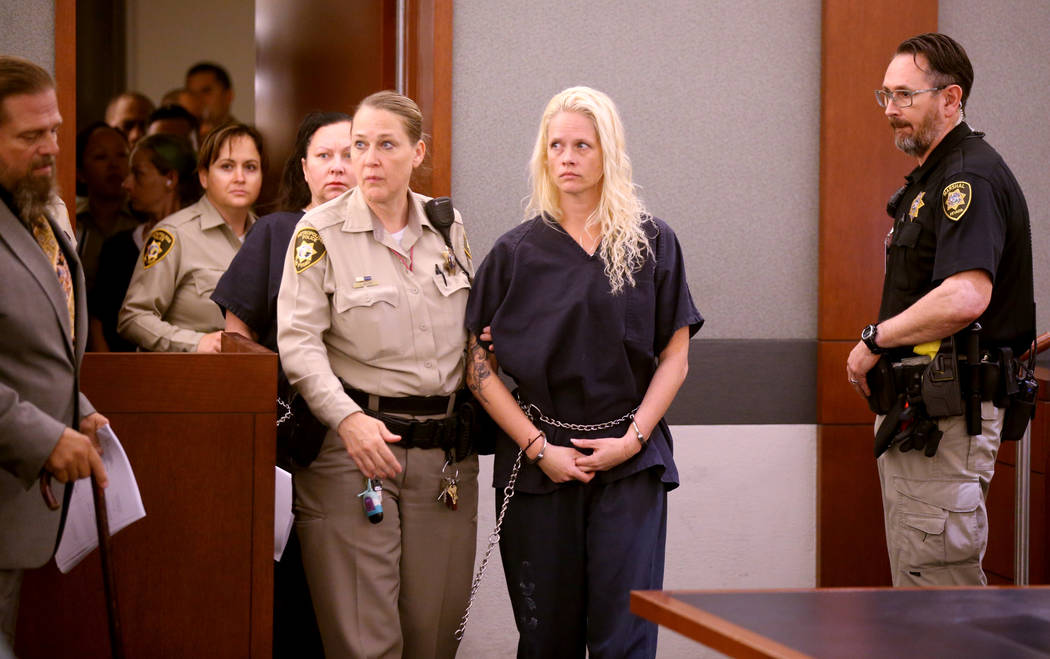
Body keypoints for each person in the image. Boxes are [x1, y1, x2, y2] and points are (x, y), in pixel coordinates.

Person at [464, 86, 702, 658]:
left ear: (608, 153)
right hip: (539, 462)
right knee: (548, 639)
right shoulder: (516, 252)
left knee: (625, 638)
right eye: (556, 146)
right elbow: (478, 371)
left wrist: (634, 439)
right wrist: (540, 446)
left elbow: (675, 357)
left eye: (582, 145)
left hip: (631, 459)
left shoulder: (652, 242)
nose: (567, 157)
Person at [277, 91, 477, 658]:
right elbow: (298, 343)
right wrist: (347, 421)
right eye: (360, 145)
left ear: (418, 152)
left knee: (434, 636)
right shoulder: (319, 231)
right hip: (358, 453)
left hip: (442, 457)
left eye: (386, 145)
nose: (368, 159)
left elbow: (472, 337)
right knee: (367, 643)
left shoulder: (447, 224)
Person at [846, 33, 1035, 587]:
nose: (892, 112)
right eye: (886, 96)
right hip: (923, 418)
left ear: (951, 99)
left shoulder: (966, 177)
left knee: (937, 607)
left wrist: (872, 340)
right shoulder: (933, 178)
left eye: (906, 96)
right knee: (918, 588)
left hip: (947, 419)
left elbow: (966, 295)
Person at [211, 111, 353, 658]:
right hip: (285, 441)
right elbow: (236, 336)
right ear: (304, 168)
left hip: (360, 440)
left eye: (349, 153)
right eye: (324, 156)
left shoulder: (390, 239)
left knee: (347, 596)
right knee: (286, 593)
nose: (338, 167)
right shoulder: (275, 232)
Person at [0, 54, 109, 649]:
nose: (50, 148)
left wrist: (76, 407)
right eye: (29, 135)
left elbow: (33, 339)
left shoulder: (33, 208)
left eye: (56, 131)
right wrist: (44, 437)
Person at [118, 123, 263, 352]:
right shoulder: (173, 235)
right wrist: (197, 343)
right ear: (204, 177)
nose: (240, 177)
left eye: (251, 167)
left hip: (255, 379)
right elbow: (132, 318)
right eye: (226, 166)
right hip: (188, 378)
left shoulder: (269, 238)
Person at [91, 133, 200, 352]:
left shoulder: (201, 243)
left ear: (170, 177)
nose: (126, 184)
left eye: (137, 173)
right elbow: (97, 323)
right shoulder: (118, 247)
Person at [74, 122, 136, 293]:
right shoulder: (69, 219)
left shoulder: (144, 218)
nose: (113, 164)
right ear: (80, 173)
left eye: (122, 155)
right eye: (101, 157)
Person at [185, 62, 235, 138]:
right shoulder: (182, 138)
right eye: (191, 93)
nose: (198, 99)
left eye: (206, 91)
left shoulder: (246, 140)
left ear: (228, 96)